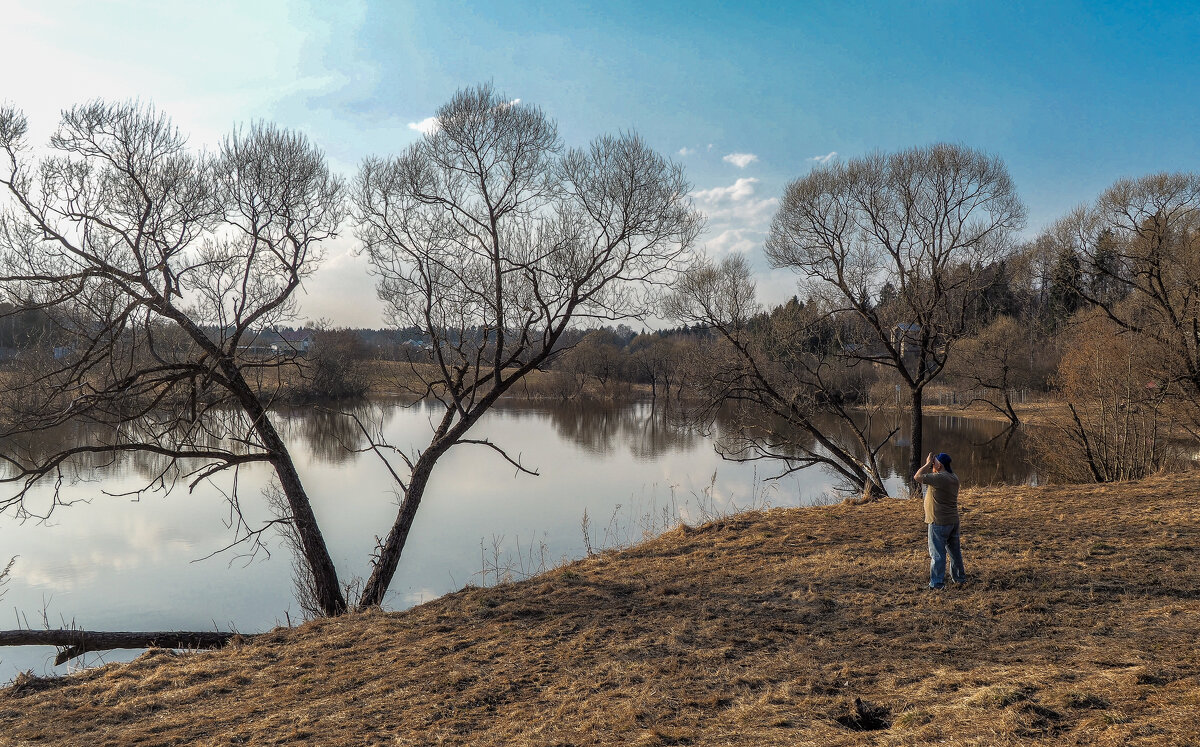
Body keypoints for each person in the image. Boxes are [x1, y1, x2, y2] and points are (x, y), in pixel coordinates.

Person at [913, 451, 966, 589]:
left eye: (934, 462)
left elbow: (917, 477)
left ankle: (936, 583)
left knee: (937, 554)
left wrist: (926, 463)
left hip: (938, 521)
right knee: (955, 553)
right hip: (953, 521)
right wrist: (933, 464)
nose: (932, 465)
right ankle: (959, 578)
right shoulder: (953, 477)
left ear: (939, 464)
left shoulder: (940, 478)